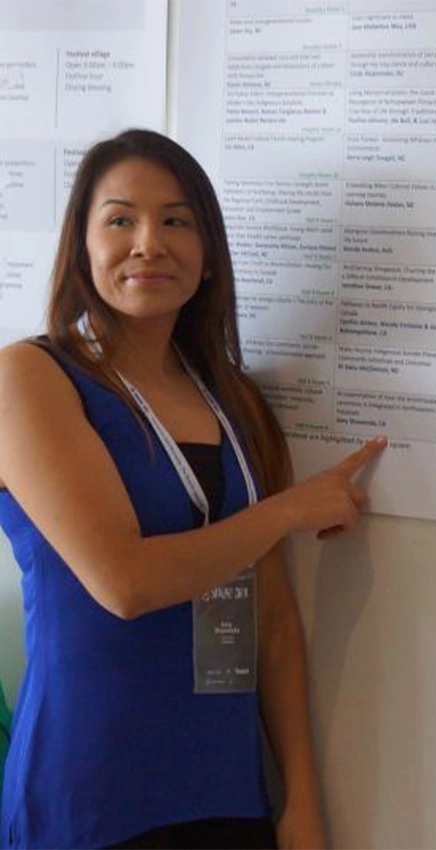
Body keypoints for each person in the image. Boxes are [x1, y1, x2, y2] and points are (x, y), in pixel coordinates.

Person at [0, 129, 385, 848]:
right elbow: (123, 582)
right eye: (120, 220)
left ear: (208, 254)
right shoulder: (30, 377)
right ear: (81, 248)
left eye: (177, 221)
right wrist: (289, 509)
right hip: (89, 794)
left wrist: (301, 797)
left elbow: (271, 622)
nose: (150, 243)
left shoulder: (232, 400)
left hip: (223, 789)